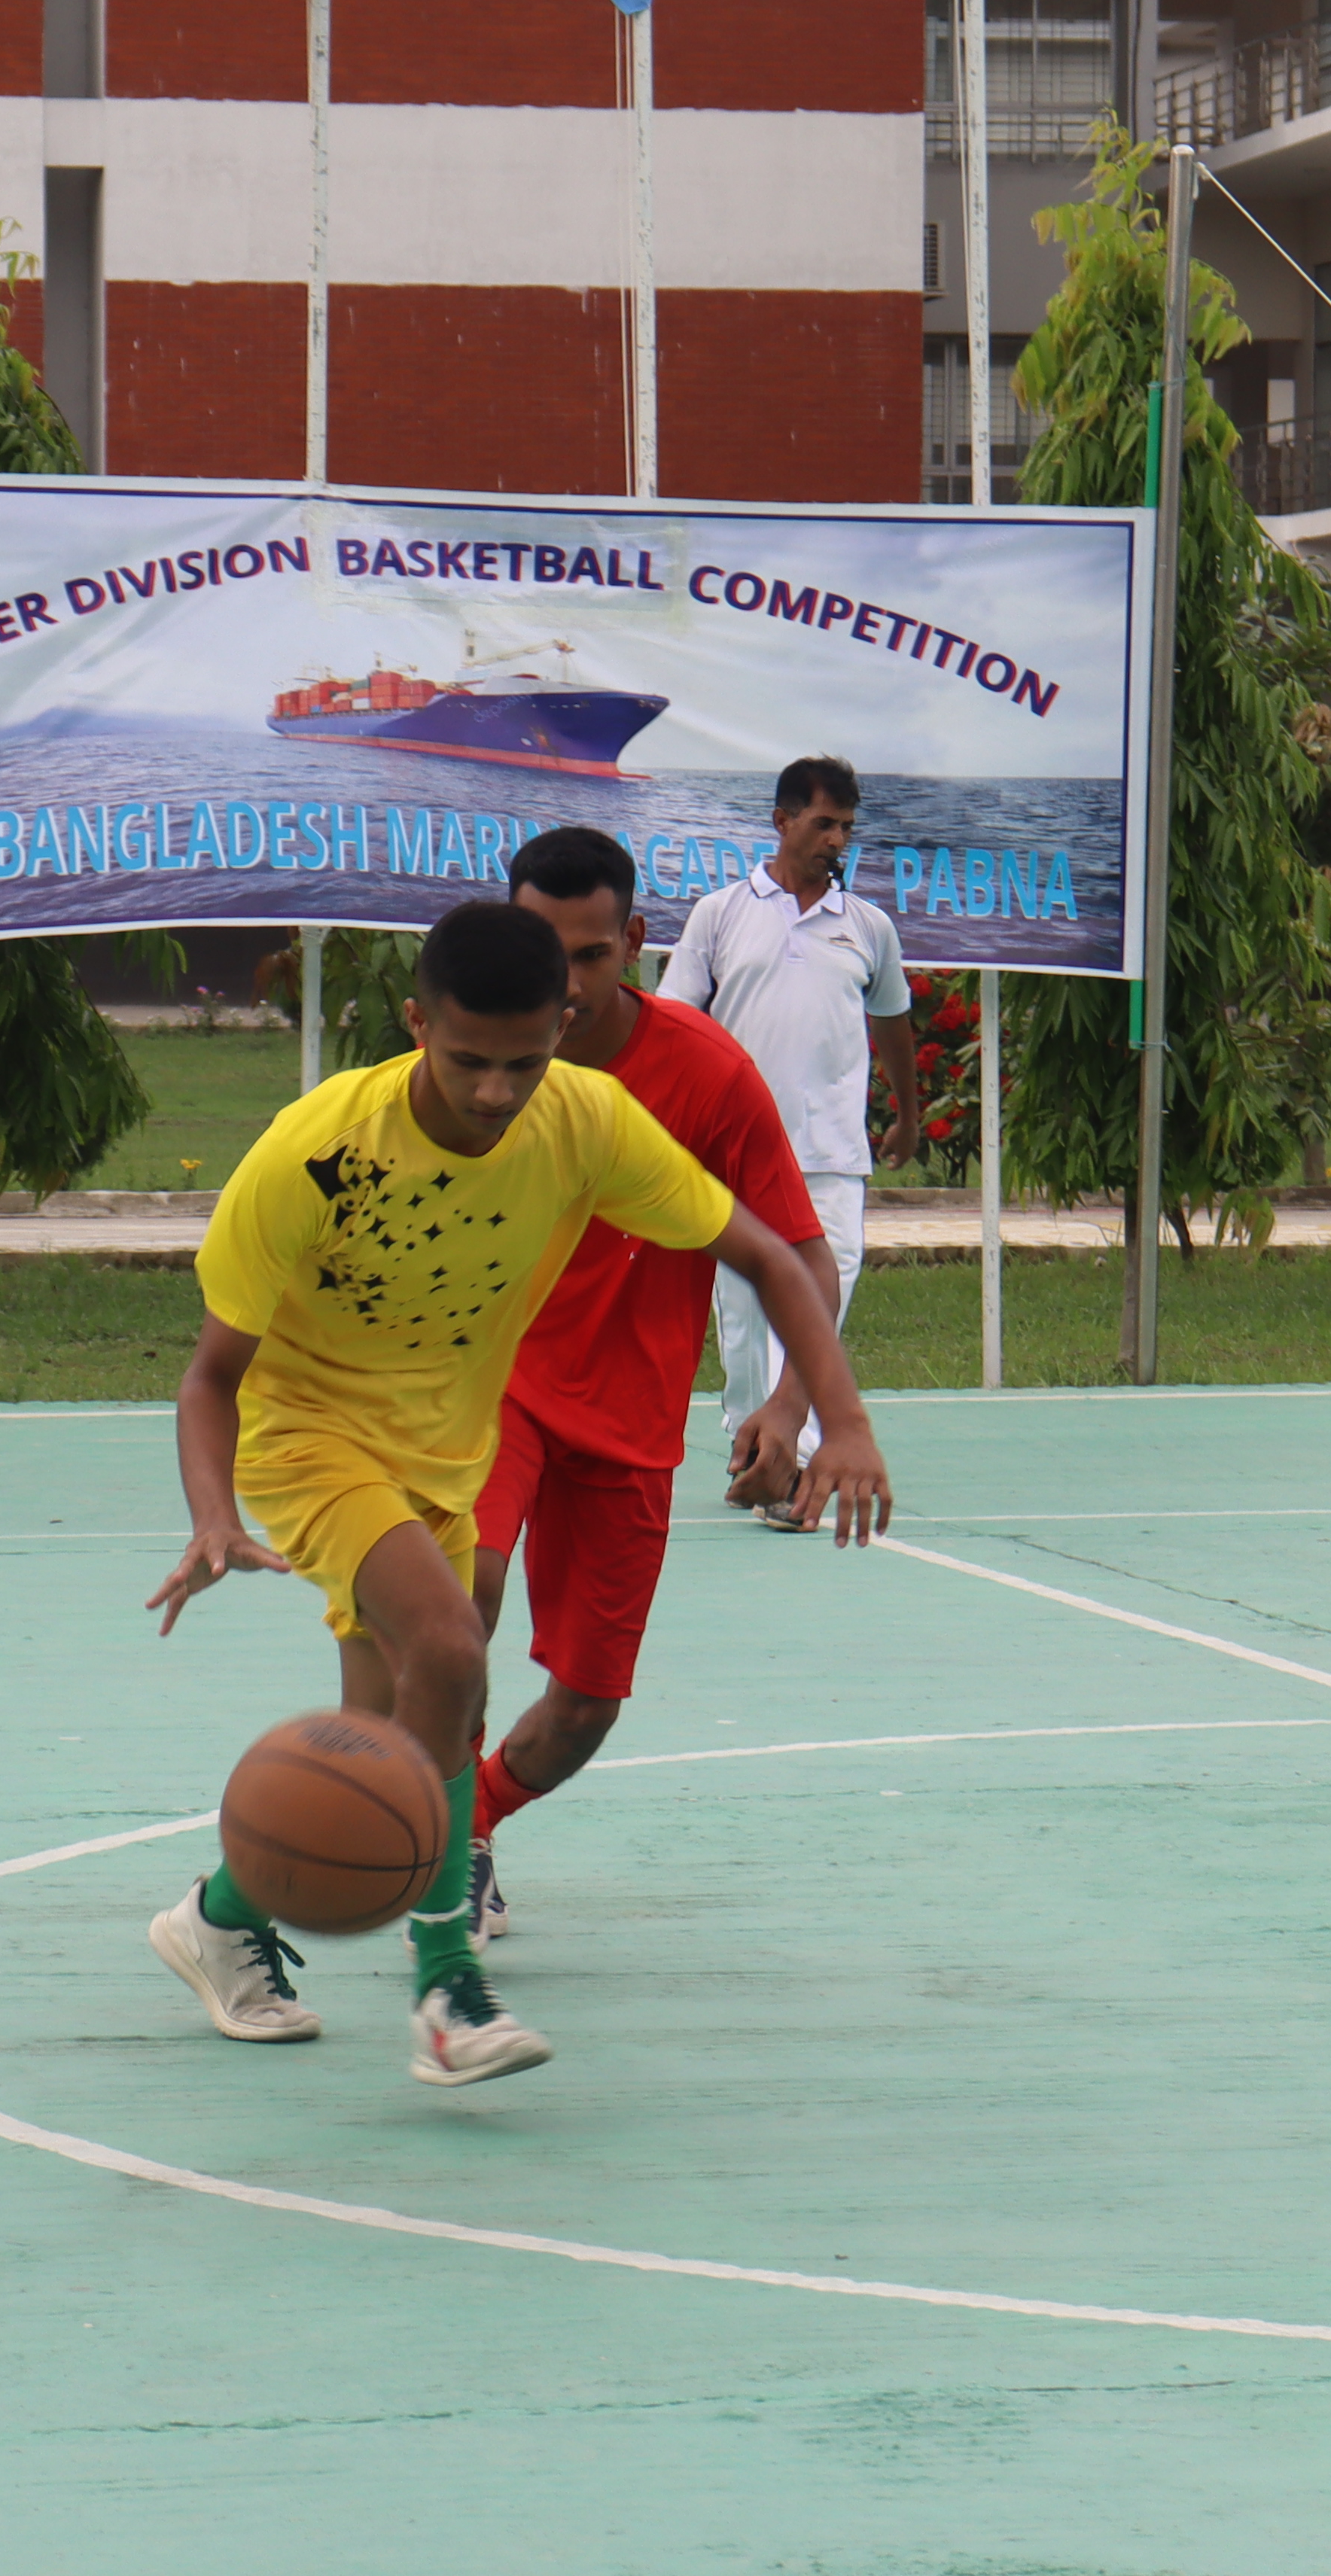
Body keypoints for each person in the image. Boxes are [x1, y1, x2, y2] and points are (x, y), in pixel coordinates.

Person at [144, 899, 894, 2087]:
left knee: (391, 1749)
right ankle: (449, 1989)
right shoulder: (315, 1151)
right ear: (415, 1025)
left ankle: (221, 1916)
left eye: (525, 1062)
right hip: (310, 1437)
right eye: (468, 1062)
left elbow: (761, 1253)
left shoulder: (589, 1124)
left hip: (445, 1450)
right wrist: (212, 1518)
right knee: (452, 1648)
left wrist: (839, 1417)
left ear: (568, 1025)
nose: (497, 1092)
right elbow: (210, 1377)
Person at [460, 827, 843, 1945]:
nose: (568, 984)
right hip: (495, 1389)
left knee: (587, 1706)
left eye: (591, 955)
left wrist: (789, 1404)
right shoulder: (479, 1062)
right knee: (458, 1603)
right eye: (543, 951)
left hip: (629, 1419)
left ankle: (468, 1821)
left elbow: (799, 1251)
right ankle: (431, 1857)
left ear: (633, 942)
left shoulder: (705, 1071)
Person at [658, 755, 920, 1522]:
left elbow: (892, 1019)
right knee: (744, 1320)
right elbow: (679, 1024)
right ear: (782, 822)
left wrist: (905, 1110)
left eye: (846, 826)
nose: (837, 839)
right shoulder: (721, 914)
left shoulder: (868, 926)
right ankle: (756, 1445)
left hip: (833, 1155)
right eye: (822, 823)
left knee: (818, 1300)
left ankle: (794, 1461)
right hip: (735, 1154)